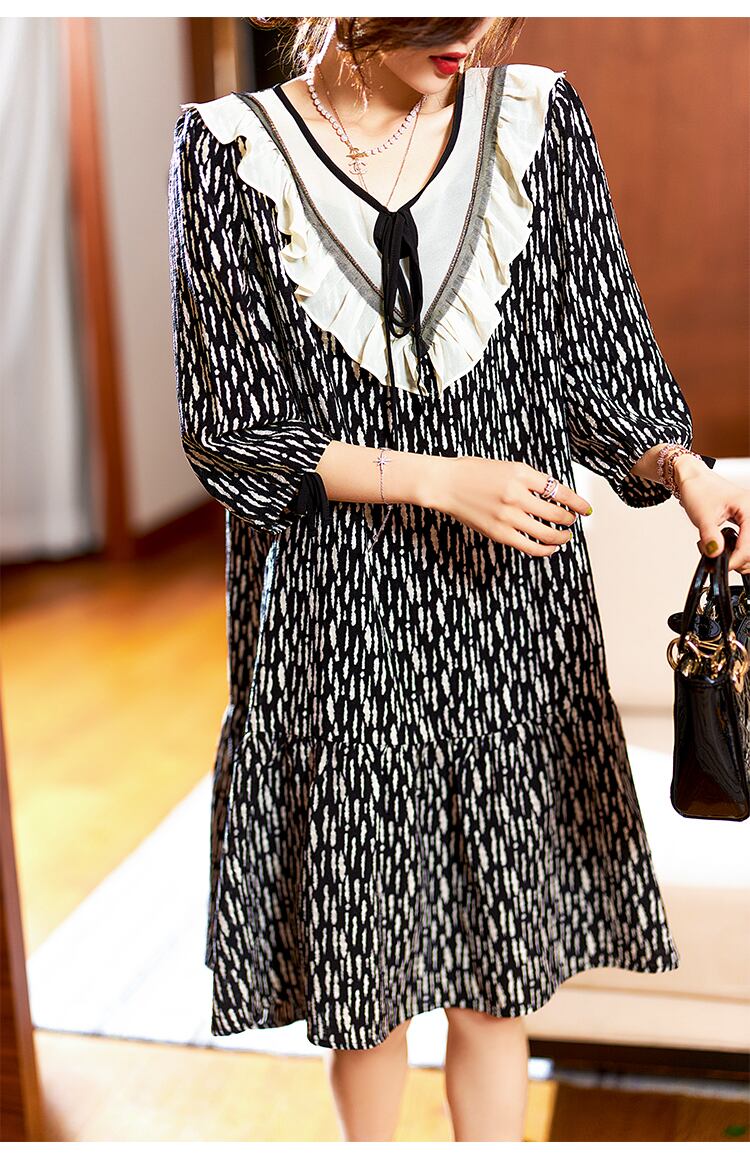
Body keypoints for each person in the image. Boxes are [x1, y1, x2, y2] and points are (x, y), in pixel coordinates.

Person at [167, 16, 749, 1142]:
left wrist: (683, 467)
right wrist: (440, 480)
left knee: (501, 979)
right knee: (368, 983)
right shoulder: (230, 148)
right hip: (338, 615)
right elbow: (229, 430)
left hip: (512, 613)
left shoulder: (535, 119)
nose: (472, 32)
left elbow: (599, 362)